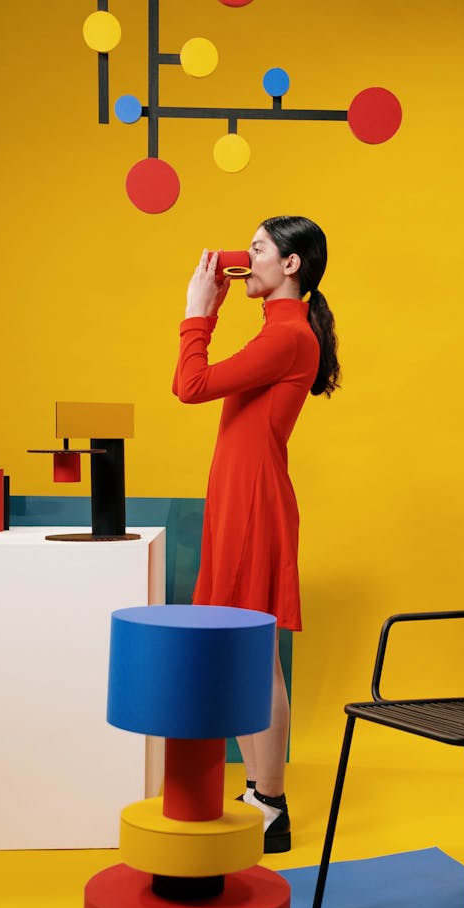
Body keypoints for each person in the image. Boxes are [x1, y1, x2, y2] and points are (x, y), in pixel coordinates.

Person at [172, 215, 340, 852]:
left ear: (290, 265)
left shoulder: (288, 334)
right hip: (239, 499)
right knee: (245, 653)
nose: (247, 258)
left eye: (260, 248)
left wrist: (199, 311)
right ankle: (261, 796)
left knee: (252, 656)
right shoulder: (279, 333)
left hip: (252, 505)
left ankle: (271, 806)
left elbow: (190, 386)